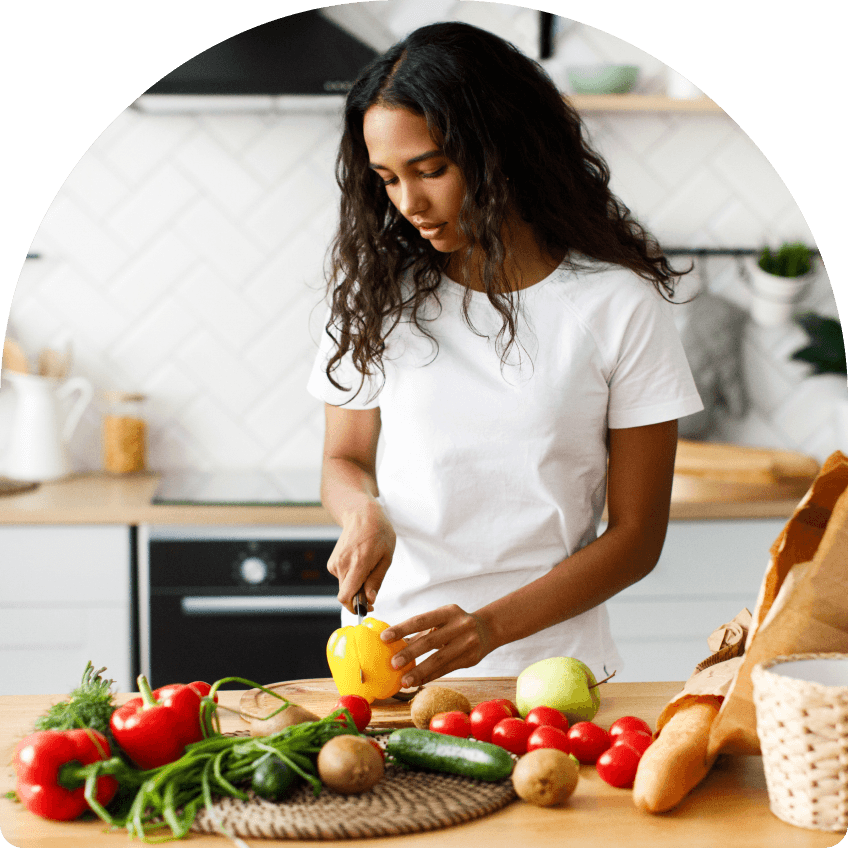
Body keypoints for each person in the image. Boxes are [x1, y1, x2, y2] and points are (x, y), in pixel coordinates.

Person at [307, 21, 703, 688]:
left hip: (548, 672)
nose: (410, 204)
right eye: (388, 179)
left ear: (503, 149)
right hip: (392, 666)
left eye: (431, 170)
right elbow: (342, 459)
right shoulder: (376, 294)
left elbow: (637, 537)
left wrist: (487, 629)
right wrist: (362, 511)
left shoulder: (616, 303)